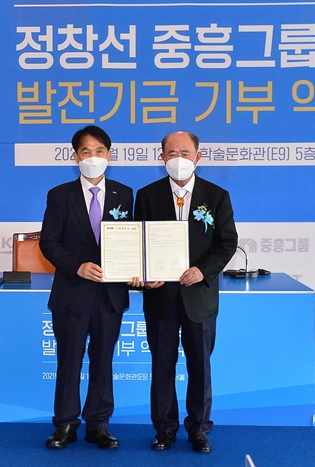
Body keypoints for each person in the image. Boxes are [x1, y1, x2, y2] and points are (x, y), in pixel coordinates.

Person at [134, 131, 238, 453]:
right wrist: (143, 274)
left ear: (198, 156)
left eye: (185, 151)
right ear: (162, 156)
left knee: (200, 366)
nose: (178, 158)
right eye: (171, 152)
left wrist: (202, 270)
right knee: (161, 366)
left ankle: (199, 429)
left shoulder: (217, 196)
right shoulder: (148, 195)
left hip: (199, 297)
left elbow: (227, 243)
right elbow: (139, 242)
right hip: (160, 297)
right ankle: (164, 428)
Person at [39, 125, 139, 450]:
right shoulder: (59, 195)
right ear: (75, 157)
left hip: (110, 294)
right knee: (69, 360)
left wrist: (135, 269)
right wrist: (77, 266)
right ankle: (65, 424)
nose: (93, 157)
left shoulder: (124, 194)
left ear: (109, 155)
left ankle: (99, 425)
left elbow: (132, 240)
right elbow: (49, 243)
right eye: (86, 152)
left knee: (103, 360)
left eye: (99, 151)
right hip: (72, 291)